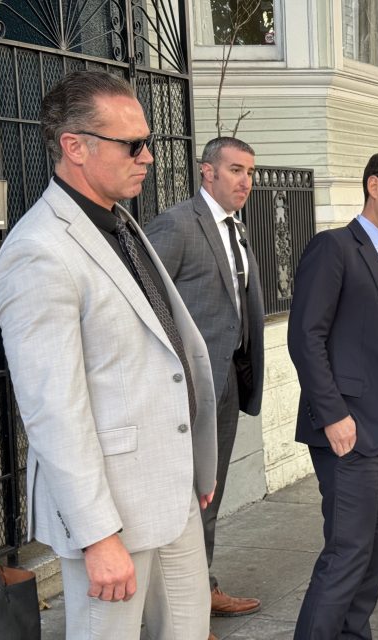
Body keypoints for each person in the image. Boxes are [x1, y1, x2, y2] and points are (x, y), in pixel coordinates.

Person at [0, 70, 217, 639]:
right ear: (75, 146)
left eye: (150, 142)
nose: (148, 157)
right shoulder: (38, 251)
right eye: (133, 144)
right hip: (111, 514)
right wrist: (97, 535)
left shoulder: (120, 223)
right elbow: (52, 412)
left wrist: (198, 461)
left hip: (173, 492)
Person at [287, 150, 378, 638]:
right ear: (375, 186)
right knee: (347, 553)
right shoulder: (335, 247)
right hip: (348, 431)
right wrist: (333, 415)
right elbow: (306, 336)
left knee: (374, 557)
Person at [146, 137, 265, 624]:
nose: (246, 181)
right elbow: (145, 300)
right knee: (183, 497)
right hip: (186, 390)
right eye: (236, 170)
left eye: (251, 172)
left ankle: (203, 591)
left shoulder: (235, 228)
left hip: (226, 382)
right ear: (207, 172)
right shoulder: (177, 224)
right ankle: (179, 612)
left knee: (209, 492)